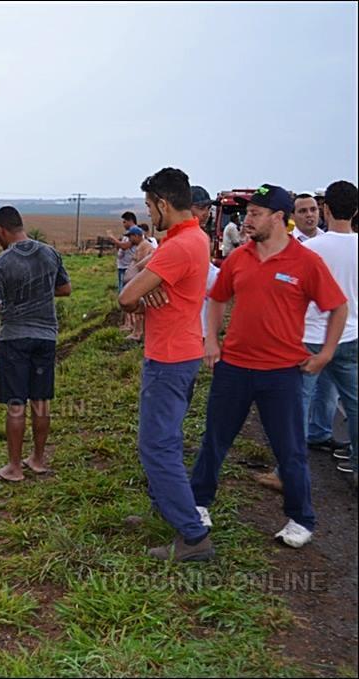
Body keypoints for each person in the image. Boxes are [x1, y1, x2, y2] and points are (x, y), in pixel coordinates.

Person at [191, 184, 347, 549]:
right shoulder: (239, 258)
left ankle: (301, 518)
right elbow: (217, 299)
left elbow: (337, 307)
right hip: (234, 369)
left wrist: (325, 353)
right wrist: (211, 341)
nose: (248, 220)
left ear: (279, 218)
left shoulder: (306, 262)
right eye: (247, 213)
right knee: (214, 439)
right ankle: (198, 503)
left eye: (256, 214)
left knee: (289, 448)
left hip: (281, 373)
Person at [118, 167, 212, 562]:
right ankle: (166, 508)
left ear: (162, 203)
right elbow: (139, 283)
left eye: (148, 206)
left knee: (156, 445)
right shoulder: (191, 238)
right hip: (180, 350)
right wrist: (148, 282)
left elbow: (125, 298)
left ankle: (193, 537)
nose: (147, 213)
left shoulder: (178, 247)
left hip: (170, 357)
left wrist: (143, 287)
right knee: (166, 438)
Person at [0, 205, 72, 483]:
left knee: (16, 406)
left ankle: (14, 468)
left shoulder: (0, 264)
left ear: (0, 230)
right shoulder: (49, 253)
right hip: (46, 337)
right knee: (41, 402)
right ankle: (38, 459)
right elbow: (65, 289)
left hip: (14, 339)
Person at [301, 181, 358, 478]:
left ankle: (289, 470)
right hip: (350, 336)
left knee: (298, 402)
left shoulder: (311, 249)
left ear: (326, 209)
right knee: (352, 400)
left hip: (311, 336)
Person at [189, 186, 222, 337]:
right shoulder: (192, 239)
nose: (206, 213)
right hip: (190, 326)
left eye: (208, 208)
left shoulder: (200, 236)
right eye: (201, 207)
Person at [122, 226, 154, 341]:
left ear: (136, 236)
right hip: (137, 281)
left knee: (140, 309)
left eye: (131, 237)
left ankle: (138, 332)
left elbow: (141, 266)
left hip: (141, 283)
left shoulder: (144, 246)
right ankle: (136, 331)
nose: (130, 240)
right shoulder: (140, 246)